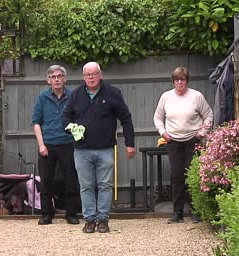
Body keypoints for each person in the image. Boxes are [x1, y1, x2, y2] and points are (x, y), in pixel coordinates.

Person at [62, 61, 135, 233]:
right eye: (87, 74)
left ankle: (103, 219)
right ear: (83, 76)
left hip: (105, 149)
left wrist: (130, 143)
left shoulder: (113, 93)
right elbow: (66, 116)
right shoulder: (76, 95)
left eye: (94, 73)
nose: (91, 77)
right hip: (81, 150)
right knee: (86, 186)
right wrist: (70, 128)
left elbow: (126, 118)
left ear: (100, 74)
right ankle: (89, 219)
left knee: (105, 185)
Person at [153, 66, 213, 223]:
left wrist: (201, 133)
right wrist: (163, 133)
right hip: (173, 141)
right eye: (177, 80)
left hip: (193, 140)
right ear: (173, 81)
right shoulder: (166, 97)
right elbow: (158, 117)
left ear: (187, 81)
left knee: (193, 175)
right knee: (177, 176)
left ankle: (196, 211)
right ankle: (177, 213)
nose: (180, 83)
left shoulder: (196, 96)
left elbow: (208, 115)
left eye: (183, 80)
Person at [32, 65, 80, 225]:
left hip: (68, 144)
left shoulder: (73, 96)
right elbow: (36, 123)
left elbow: (79, 120)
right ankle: (46, 214)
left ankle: (71, 214)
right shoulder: (42, 98)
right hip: (47, 145)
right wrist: (41, 145)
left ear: (65, 78)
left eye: (60, 76)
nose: (57, 79)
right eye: (53, 76)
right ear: (48, 80)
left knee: (71, 180)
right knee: (46, 181)